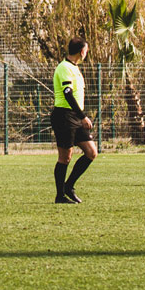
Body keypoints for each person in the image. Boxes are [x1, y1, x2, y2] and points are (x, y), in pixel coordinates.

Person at [51, 38, 98, 204]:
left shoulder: (75, 68)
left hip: (75, 116)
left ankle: (68, 186)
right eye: (86, 50)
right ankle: (60, 196)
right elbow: (67, 93)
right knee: (65, 157)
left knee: (91, 152)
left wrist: (80, 116)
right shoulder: (64, 67)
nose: (87, 53)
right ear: (82, 51)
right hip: (64, 116)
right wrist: (83, 116)